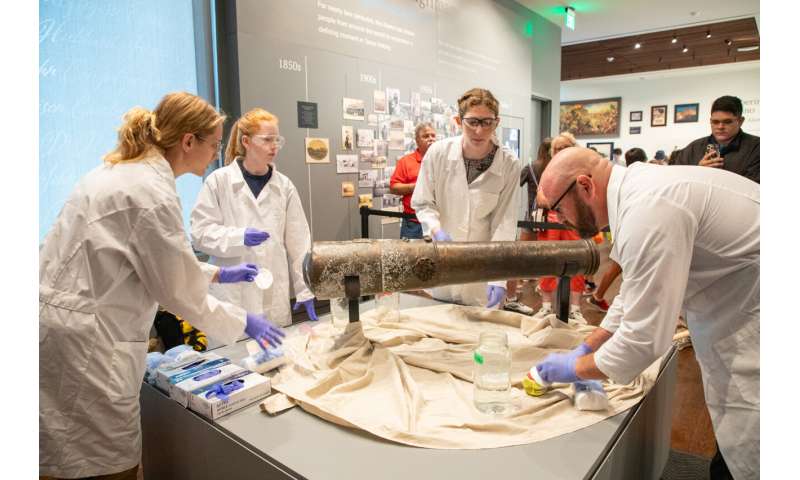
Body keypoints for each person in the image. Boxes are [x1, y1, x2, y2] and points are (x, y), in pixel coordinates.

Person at [39, 92, 285, 480]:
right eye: (213, 144)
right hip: (91, 343)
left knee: (59, 456)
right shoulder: (150, 192)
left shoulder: (120, 172)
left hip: (65, 327)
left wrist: (218, 274)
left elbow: (149, 258)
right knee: (103, 462)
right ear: (188, 141)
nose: (216, 153)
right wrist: (245, 323)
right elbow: (176, 288)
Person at [535, 147, 759, 480]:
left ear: (584, 186)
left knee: (756, 447)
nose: (558, 218)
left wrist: (576, 369)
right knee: (734, 450)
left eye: (556, 208)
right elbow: (634, 293)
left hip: (754, 324)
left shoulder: (648, 209)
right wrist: (589, 345)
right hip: (738, 306)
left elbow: (644, 340)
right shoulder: (638, 192)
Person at [191, 108, 318, 327]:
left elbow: (299, 243)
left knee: (277, 357)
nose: (274, 146)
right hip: (232, 294)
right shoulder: (218, 182)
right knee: (233, 356)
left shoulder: (284, 186)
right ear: (246, 141)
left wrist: (305, 290)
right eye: (267, 140)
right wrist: (238, 237)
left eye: (277, 140)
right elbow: (200, 234)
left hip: (273, 292)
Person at [412, 87, 521, 308]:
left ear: (497, 122)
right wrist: (435, 230)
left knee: (480, 333)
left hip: (482, 269)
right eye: (472, 122)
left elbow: (504, 222)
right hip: (443, 260)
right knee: (442, 325)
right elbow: (423, 202)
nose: (479, 131)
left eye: (486, 122)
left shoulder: (509, 164)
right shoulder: (438, 154)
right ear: (458, 120)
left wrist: (499, 277)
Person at [534, 132, 587, 324]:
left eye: (565, 147)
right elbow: (542, 199)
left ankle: (575, 309)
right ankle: (546, 306)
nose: (561, 151)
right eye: (557, 148)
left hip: (574, 223)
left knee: (577, 262)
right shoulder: (548, 171)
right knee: (547, 261)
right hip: (552, 221)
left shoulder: (584, 169)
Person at [504, 138, 552, 316]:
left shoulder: (531, 167)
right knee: (550, 256)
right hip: (553, 217)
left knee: (520, 255)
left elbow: (513, 185)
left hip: (533, 217)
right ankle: (545, 292)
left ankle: (514, 289)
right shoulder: (557, 168)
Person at [671, 95, 759, 183]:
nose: (720, 127)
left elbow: (754, 189)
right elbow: (675, 179)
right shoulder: (694, 147)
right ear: (710, 121)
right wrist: (697, 171)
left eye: (727, 122)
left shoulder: (756, 147)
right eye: (715, 122)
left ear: (740, 121)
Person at [389, 122, 437, 239]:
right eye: (426, 136)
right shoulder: (405, 161)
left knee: (439, 256)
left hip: (438, 222)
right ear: (417, 140)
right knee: (410, 256)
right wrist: (415, 187)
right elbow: (394, 187)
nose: (430, 139)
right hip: (413, 223)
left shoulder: (443, 161)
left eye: (433, 136)